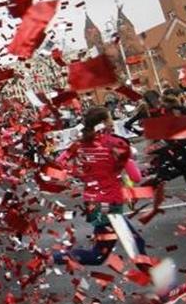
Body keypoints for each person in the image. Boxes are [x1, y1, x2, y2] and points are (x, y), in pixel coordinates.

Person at [51, 107, 147, 266]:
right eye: (110, 119)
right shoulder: (116, 145)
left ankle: (156, 281)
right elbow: (136, 177)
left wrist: (81, 173)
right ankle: (51, 258)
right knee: (101, 255)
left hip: (94, 203)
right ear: (103, 123)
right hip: (108, 204)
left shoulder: (80, 145)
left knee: (133, 244)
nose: (112, 122)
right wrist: (125, 162)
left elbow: (59, 164)